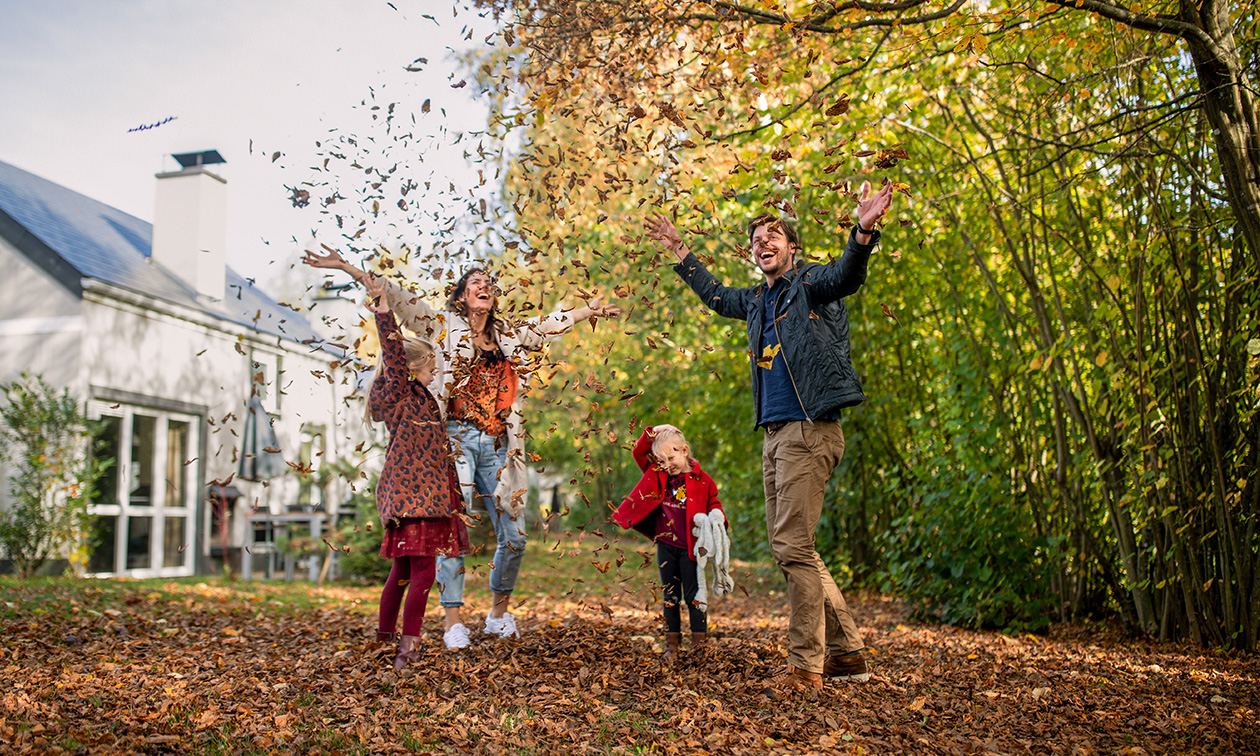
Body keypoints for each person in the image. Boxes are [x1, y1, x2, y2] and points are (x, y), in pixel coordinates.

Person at [643, 180, 894, 691]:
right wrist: (680, 250)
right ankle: (847, 654)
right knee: (794, 548)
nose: (764, 244)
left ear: (792, 246)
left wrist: (863, 230)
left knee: (792, 546)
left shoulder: (811, 283)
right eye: (757, 240)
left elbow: (848, 274)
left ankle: (805, 666)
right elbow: (716, 296)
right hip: (775, 435)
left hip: (809, 429)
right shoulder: (758, 300)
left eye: (773, 236)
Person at [303, 250, 619, 648]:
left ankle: (498, 615)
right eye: (475, 282)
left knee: (515, 535)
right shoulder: (440, 325)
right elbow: (398, 297)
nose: (484, 286)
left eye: (488, 283)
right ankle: (453, 622)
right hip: (454, 438)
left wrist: (587, 312)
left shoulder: (505, 333)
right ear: (462, 295)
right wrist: (348, 268)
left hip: (500, 444)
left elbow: (544, 326)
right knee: (453, 526)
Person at [363, 274, 470, 672]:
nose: (434, 373)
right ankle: (408, 650)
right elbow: (392, 352)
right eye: (431, 367)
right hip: (414, 499)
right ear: (412, 369)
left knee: (403, 572)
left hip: (422, 496)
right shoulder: (400, 390)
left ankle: (384, 639)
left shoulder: (421, 397)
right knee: (423, 573)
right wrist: (383, 306)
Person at [612, 424, 724, 659]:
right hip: (667, 547)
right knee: (670, 596)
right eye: (662, 461)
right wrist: (654, 431)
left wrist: (717, 518)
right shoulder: (657, 473)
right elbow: (638, 453)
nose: (667, 465)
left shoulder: (703, 480)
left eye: (671, 458)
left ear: (684, 451)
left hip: (691, 549)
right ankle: (672, 645)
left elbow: (713, 502)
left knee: (694, 596)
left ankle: (699, 646)